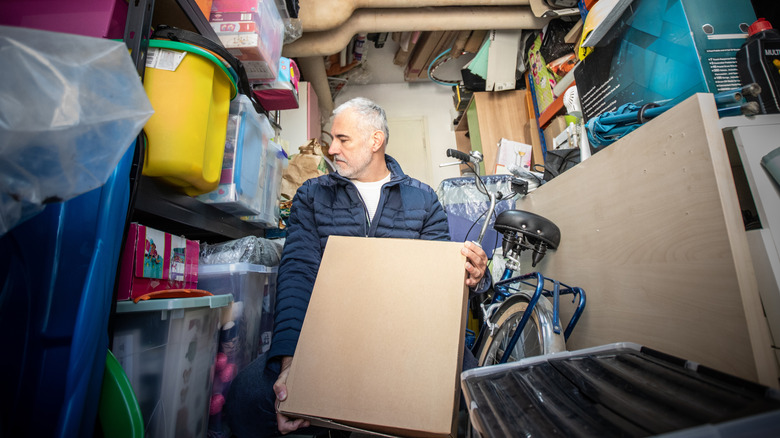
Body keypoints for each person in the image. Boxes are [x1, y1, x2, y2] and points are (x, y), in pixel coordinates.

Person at [224, 97, 491, 437]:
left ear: (375, 140)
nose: (332, 149)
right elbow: (297, 276)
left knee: (474, 394)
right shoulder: (312, 195)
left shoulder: (423, 200)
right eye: (331, 139)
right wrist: (291, 363)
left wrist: (475, 277)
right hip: (329, 335)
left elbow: (440, 283)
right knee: (245, 399)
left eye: (343, 139)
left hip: (405, 335)